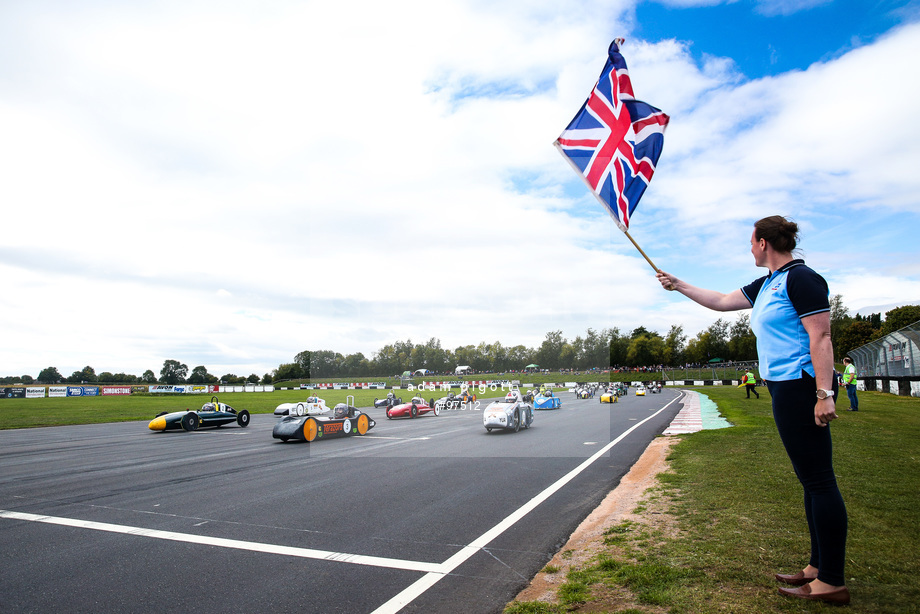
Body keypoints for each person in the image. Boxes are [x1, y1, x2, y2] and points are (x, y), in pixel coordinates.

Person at [656, 215, 849, 605]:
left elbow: (822, 335)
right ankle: (817, 566)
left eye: (751, 242)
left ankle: (831, 581)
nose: (749, 248)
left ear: (763, 243)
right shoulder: (768, 283)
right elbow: (723, 302)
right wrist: (679, 285)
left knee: (819, 481)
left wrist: (824, 393)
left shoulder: (801, 278)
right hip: (782, 387)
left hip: (801, 386)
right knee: (809, 479)